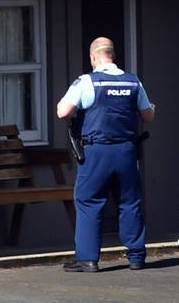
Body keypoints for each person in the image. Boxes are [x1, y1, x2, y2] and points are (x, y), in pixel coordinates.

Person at [56, 37, 155, 272]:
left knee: (89, 202)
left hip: (96, 151)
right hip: (126, 151)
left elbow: (63, 111)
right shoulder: (133, 82)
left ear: (93, 57)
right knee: (130, 201)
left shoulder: (86, 82)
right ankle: (136, 256)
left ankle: (88, 259)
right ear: (113, 55)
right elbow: (148, 116)